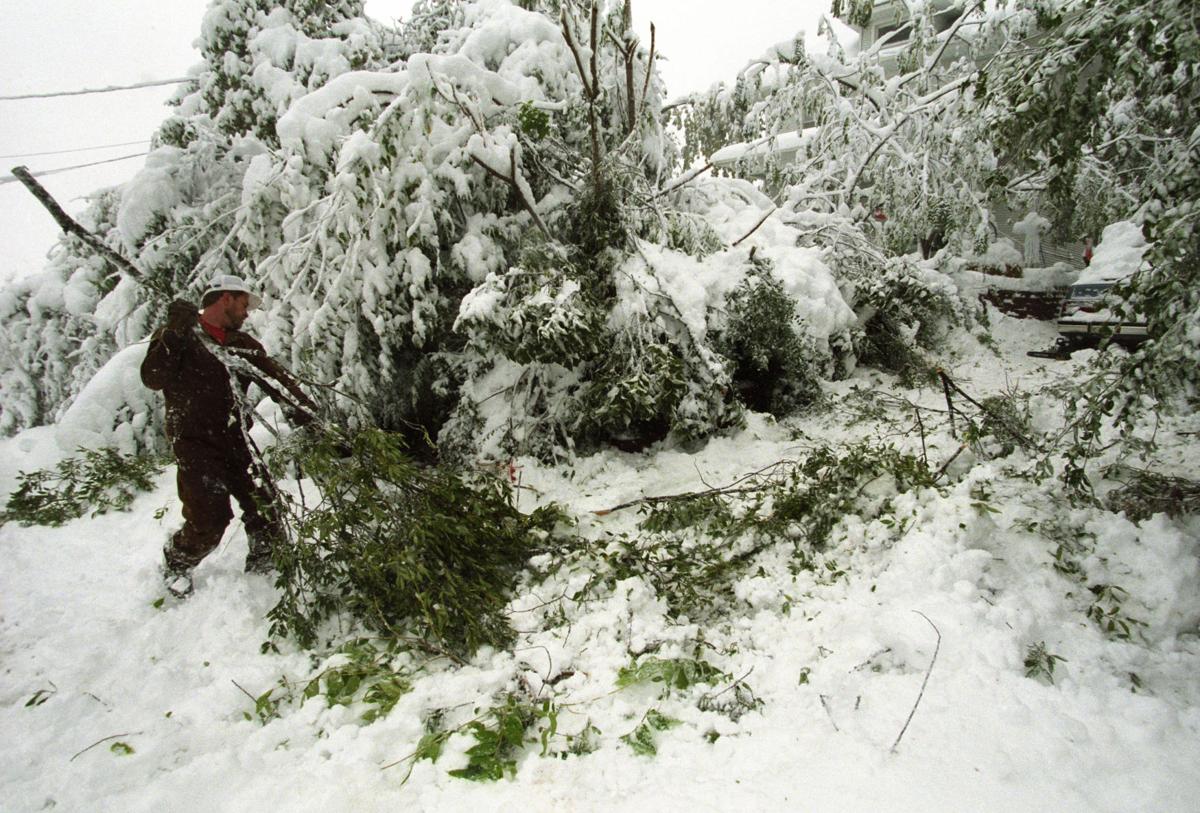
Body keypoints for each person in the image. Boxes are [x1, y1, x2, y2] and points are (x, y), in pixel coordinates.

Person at [140, 274, 316, 598]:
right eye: (244, 304)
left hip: (236, 441)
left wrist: (312, 420)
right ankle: (177, 562)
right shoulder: (178, 335)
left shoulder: (243, 346)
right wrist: (175, 334)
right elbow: (153, 377)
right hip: (194, 445)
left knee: (266, 508)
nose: (247, 313)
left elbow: (278, 383)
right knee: (209, 522)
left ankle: (264, 571)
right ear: (226, 299)